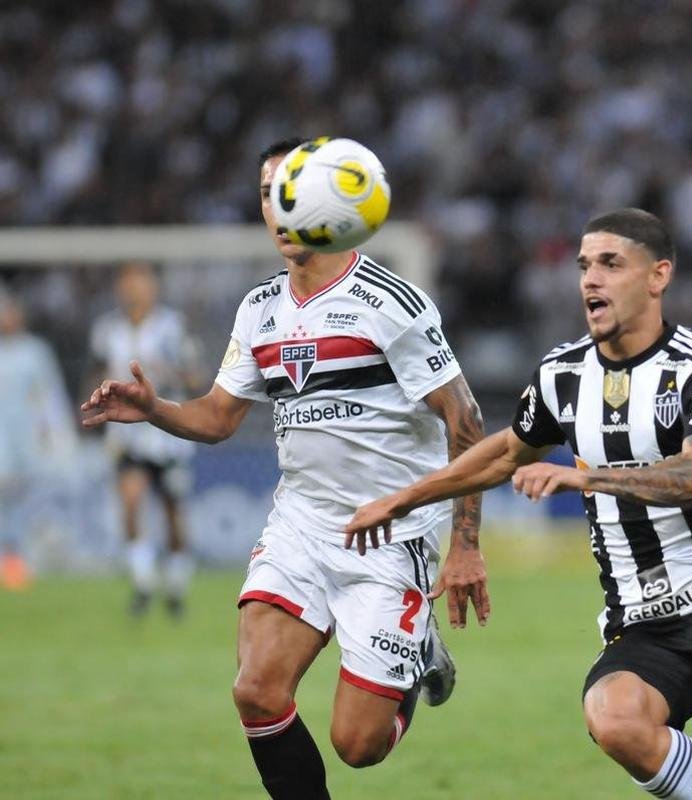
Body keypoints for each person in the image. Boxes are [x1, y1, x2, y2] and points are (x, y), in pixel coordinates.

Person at [345, 208, 692, 800]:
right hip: (643, 618)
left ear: (657, 276)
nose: (591, 279)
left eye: (610, 264)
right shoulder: (562, 375)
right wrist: (404, 500)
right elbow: (506, 452)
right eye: (584, 266)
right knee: (613, 717)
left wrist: (584, 479)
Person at [82, 137, 488, 799]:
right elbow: (217, 418)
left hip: (389, 538)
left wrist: (465, 545)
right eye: (269, 197)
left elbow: (466, 425)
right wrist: (153, 408)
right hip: (299, 526)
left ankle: (414, 656)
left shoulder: (392, 304)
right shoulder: (259, 308)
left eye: (291, 195)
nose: (278, 211)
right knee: (256, 692)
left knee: (358, 746)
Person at [87, 261, 204, 617]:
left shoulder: (173, 328)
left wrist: (165, 373)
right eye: (127, 283)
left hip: (167, 433)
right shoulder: (106, 330)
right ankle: (142, 583)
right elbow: (95, 370)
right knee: (131, 501)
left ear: (152, 287)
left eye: (140, 282)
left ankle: (176, 585)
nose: (133, 290)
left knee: (172, 511)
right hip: (127, 434)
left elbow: (197, 378)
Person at [0, 289, 77, 590]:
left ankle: (15, 558)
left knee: (20, 497)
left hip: (25, 438)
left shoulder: (35, 352)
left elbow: (49, 397)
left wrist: (56, 433)